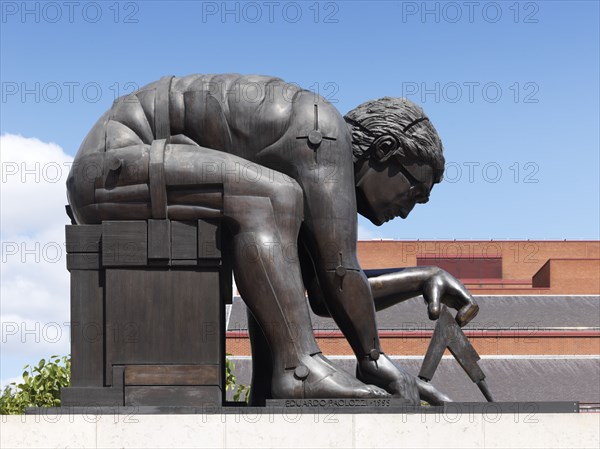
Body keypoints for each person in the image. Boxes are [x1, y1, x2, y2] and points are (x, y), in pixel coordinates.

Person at [67, 74, 478, 405]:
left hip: (128, 171)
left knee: (272, 208)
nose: (406, 210)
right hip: (109, 168)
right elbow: (340, 271)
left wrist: (422, 277)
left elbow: (319, 292)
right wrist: (374, 360)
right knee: (271, 196)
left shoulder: (305, 159)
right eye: (413, 192)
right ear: (385, 150)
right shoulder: (324, 132)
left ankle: (275, 378)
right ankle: (298, 369)